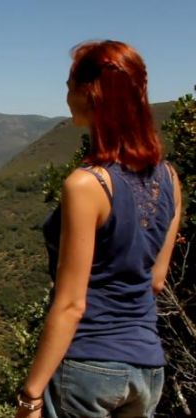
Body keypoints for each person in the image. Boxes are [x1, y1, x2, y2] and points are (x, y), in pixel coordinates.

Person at [16, 40, 182, 418]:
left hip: (88, 365)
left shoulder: (87, 185)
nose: (66, 94)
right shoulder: (170, 179)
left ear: (91, 94)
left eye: (70, 83)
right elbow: (156, 281)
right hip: (148, 368)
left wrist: (31, 393)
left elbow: (72, 304)